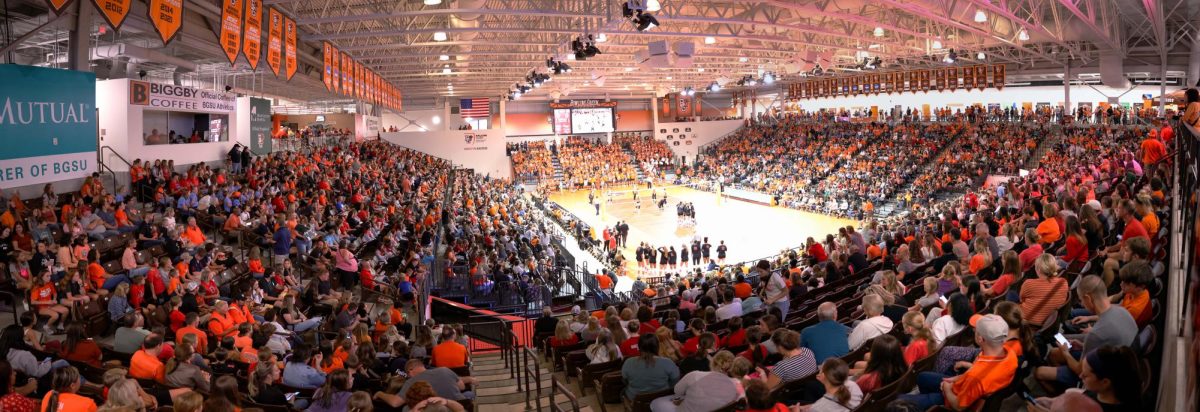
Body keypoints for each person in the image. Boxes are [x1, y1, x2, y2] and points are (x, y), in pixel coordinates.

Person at [1035, 275, 1137, 389]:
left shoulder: (1095, 334)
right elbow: (1109, 343)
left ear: (1088, 298)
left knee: (1039, 372)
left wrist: (1066, 353)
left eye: (1081, 300)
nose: (1082, 304)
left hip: (1102, 379)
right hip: (1118, 365)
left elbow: (1080, 370)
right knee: (1053, 353)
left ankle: (1071, 396)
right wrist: (1083, 345)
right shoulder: (1123, 311)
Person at [898, 314, 1017, 411]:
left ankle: (930, 404)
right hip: (962, 386)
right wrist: (955, 379)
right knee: (922, 377)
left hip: (952, 400)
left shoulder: (977, 377)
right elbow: (974, 372)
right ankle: (925, 401)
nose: (974, 330)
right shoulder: (1010, 353)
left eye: (976, 330)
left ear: (980, 339)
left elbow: (959, 406)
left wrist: (946, 388)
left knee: (897, 402)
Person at [1027, 346, 1142, 412]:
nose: (1080, 376)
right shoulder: (1104, 392)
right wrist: (1051, 401)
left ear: (1105, 382)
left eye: (1085, 375)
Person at [648, 350, 741, 412]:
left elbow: (677, 390)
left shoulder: (695, 375)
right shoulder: (736, 384)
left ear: (712, 362)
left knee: (656, 402)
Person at [621, 333, 680, 400]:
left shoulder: (629, 362)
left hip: (636, 400)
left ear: (639, 347)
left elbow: (624, 380)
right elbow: (675, 380)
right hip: (662, 398)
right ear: (657, 346)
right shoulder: (668, 362)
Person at [1019, 254, 1069, 327]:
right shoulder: (1063, 282)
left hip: (1029, 321)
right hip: (1050, 323)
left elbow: (1021, 300)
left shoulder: (1029, 283)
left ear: (1038, 269)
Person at [796, 358, 862, 412]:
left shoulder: (817, 408)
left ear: (823, 376)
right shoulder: (853, 386)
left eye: (820, 370)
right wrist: (805, 407)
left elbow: (823, 405)